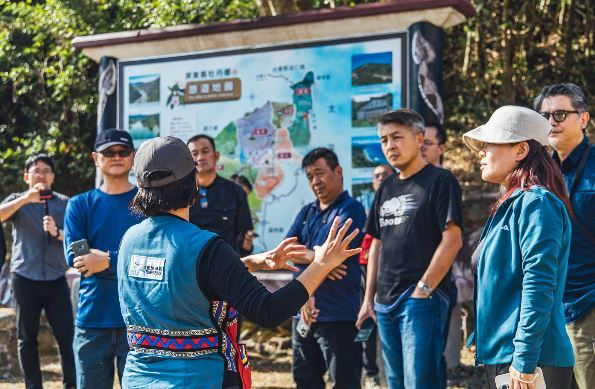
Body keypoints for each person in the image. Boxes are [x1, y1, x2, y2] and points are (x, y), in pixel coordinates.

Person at [117, 136, 361, 388]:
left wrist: (247, 263)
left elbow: (181, 278)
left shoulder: (129, 241)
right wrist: (321, 265)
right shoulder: (207, 247)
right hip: (197, 379)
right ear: (193, 183)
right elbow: (267, 310)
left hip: (138, 378)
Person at [463, 105, 575, 388]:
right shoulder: (511, 204)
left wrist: (524, 360)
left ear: (521, 150)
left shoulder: (537, 203)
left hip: (530, 360)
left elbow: (539, 284)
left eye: (490, 143)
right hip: (506, 356)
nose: (481, 151)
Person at [356, 109, 463, 389]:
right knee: (395, 382)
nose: (389, 145)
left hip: (419, 299)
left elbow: (452, 239)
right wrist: (369, 299)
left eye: (396, 137)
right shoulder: (386, 187)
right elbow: (376, 245)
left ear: (418, 139)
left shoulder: (441, 181)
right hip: (384, 301)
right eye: (383, 140)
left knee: (420, 382)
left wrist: (423, 290)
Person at [63, 129, 142, 389]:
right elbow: (78, 260)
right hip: (92, 321)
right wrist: (130, 264)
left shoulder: (149, 204)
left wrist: (108, 259)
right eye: (109, 152)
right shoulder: (79, 204)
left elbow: (157, 259)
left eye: (123, 152)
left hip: (140, 321)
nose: (116, 157)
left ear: (134, 157)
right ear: (96, 158)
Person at [284, 147, 366, 389]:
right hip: (303, 311)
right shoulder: (306, 212)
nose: (315, 181)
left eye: (320, 173)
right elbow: (286, 251)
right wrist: (322, 261)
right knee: (305, 380)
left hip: (339, 314)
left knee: (345, 382)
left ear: (338, 172)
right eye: (309, 176)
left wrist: (311, 257)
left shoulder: (351, 209)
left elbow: (338, 256)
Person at [534, 83, 594, 389]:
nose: (551, 122)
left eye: (560, 113)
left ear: (583, 118)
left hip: (588, 305)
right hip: (546, 308)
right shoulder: (536, 174)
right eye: (544, 116)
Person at [0, 154, 75, 389]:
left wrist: (57, 232)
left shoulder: (66, 203)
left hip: (56, 279)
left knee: (66, 336)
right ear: (26, 177)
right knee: (27, 338)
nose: (41, 174)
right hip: (24, 277)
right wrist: (25, 199)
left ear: (53, 177)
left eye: (46, 170)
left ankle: (71, 384)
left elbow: (78, 239)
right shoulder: (17, 201)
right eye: (35, 170)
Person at [357, 164, 394, 389]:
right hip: (364, 270)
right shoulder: (363, 203)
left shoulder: (397, 202)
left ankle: (392, 375)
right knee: (366, 321)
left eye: (384, 175)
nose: (380, 179)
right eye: (376, 176)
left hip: (391, 271)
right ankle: (370, 373)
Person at [187, 134, 255, 256]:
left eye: (205, 151)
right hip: (190, 263)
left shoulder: (235, 191)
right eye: (194, 153)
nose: (200, 157)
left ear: (216, 155)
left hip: (226, 264)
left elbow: (245, 233)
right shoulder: (181, 193)